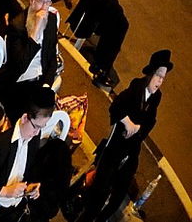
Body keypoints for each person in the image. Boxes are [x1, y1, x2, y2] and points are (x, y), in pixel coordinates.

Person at [73, 49, 171, 222]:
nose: (160, 81)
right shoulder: (136, 87)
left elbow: (150, 122)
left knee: (119, 192)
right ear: (150, 74)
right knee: (100, 191)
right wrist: (128, 123)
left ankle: (101, 218)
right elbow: (116, 107)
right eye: (158, 76)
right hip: (115, 147)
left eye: (163, 78)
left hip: (131, 149)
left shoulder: (157, 97)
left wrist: (138, 129)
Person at [0, 87, 70, 221]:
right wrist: (6, 191)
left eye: (41, 128)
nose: (37, 133)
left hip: (17, 207)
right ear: (25, 118)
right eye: (36, 126)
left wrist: (31, 187)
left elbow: (27, 173)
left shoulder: (33, 139)